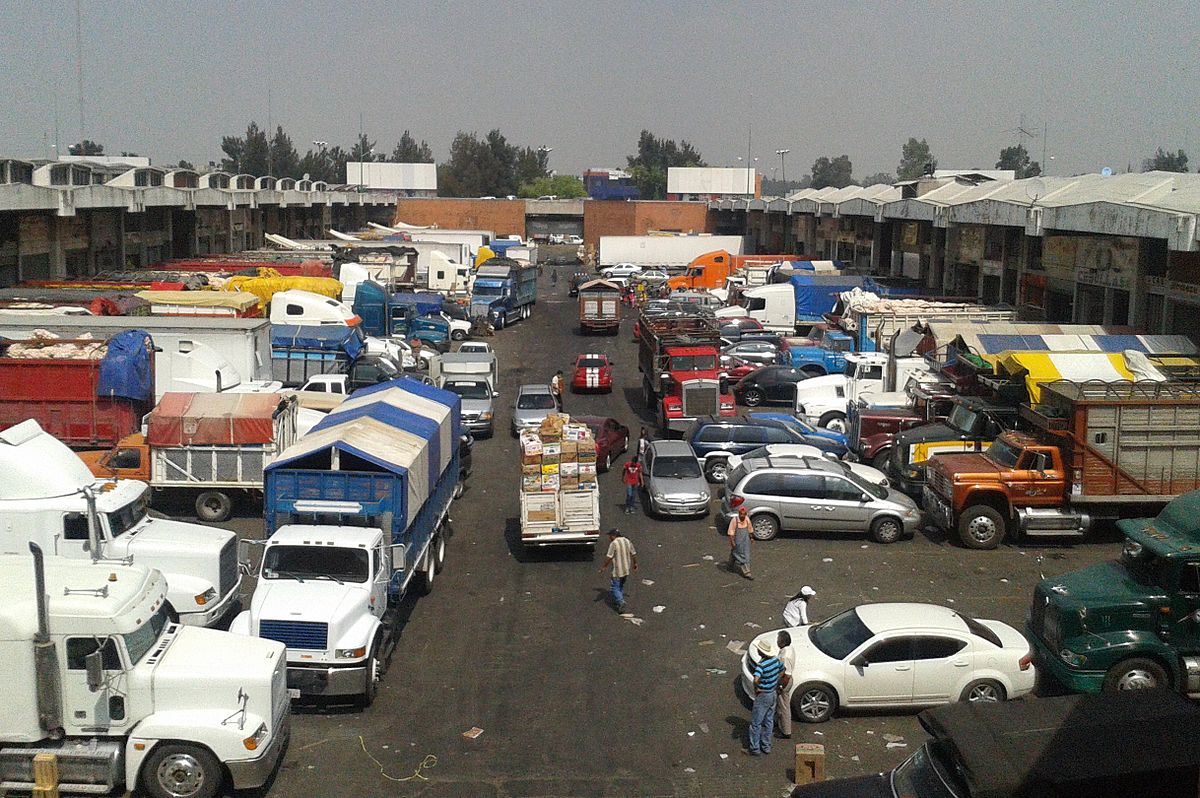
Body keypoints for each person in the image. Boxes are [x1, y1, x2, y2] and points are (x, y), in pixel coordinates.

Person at [747, 637, 787, 756]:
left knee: (756, 722)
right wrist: (775, 680)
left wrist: (757, 688)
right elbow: (783, 670)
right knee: (769, 720)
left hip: (763, 694)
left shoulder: (761, 665)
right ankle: (766, 745)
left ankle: (755, 748)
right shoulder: (775, 661)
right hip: (773, 693)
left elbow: (756, 679)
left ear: (761, 652)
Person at [598, 528, 637, 613]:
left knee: (614, 587)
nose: (609, 538)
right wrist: (635, 564)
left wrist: (604, 567)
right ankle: (619, 600)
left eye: (610, 536)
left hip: (618, 570)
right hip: (626, 569)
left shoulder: (614, 543)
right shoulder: (627, 541)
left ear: (613, 536)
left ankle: (620, 601)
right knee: (620, 586)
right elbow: (633, 553)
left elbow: (609, 556)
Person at [775, 631, 796, 739]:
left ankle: (786, 731)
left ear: (782, 642)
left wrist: (780, 686)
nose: (777, 641)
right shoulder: (788, 649)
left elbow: (786, 676)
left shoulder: (785, 657)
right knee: (781, 704)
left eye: (778, 640)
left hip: (784, 682)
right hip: (784, 680)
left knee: (784, 707)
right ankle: (780, 724)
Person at [727, 506, 753, 579]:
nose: (742, 516)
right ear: (739, 514)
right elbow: (731, 532)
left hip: (745, 541)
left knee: (745, 555)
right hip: (737, 541)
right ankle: (746, 572)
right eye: (741, 514)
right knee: (739, 554)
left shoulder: (747, 519)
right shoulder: (734, 520)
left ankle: (746, 572)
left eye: (744, 514)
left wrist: (751, 537)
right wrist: (732, 542)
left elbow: (750, 528)